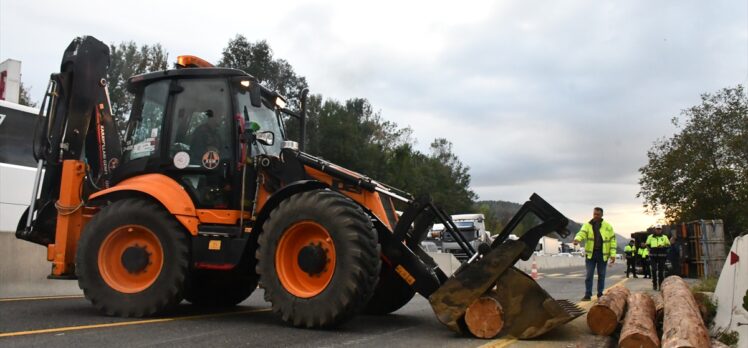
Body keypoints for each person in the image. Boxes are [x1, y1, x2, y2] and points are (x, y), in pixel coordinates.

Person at [573, 207, 616, 301]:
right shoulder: (587, 225)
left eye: (597, 214)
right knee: (589, 275)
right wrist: (577, 239)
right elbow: (581, 233)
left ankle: (600, 294)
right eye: (594, 214)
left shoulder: (608, 226)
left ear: (602, 215)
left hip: (602, 254)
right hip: (590, 254)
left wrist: (613, 254)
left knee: (602, 275)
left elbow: (612, 241)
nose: (595, 216)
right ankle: (588, 294)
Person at [647, 225, 671, 290]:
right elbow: (647, 245)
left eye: (659, 229)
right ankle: (654, 284)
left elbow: (668, 245)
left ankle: (661, 285)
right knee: (654, 270)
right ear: (655, 230)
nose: (658, 230)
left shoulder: (664, 237)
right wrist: (651, 249)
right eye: (657, 229)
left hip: (662, 256)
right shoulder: (650, 237)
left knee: (661, 271)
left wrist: (663, 247)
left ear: (661, 230)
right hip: (653, 256)